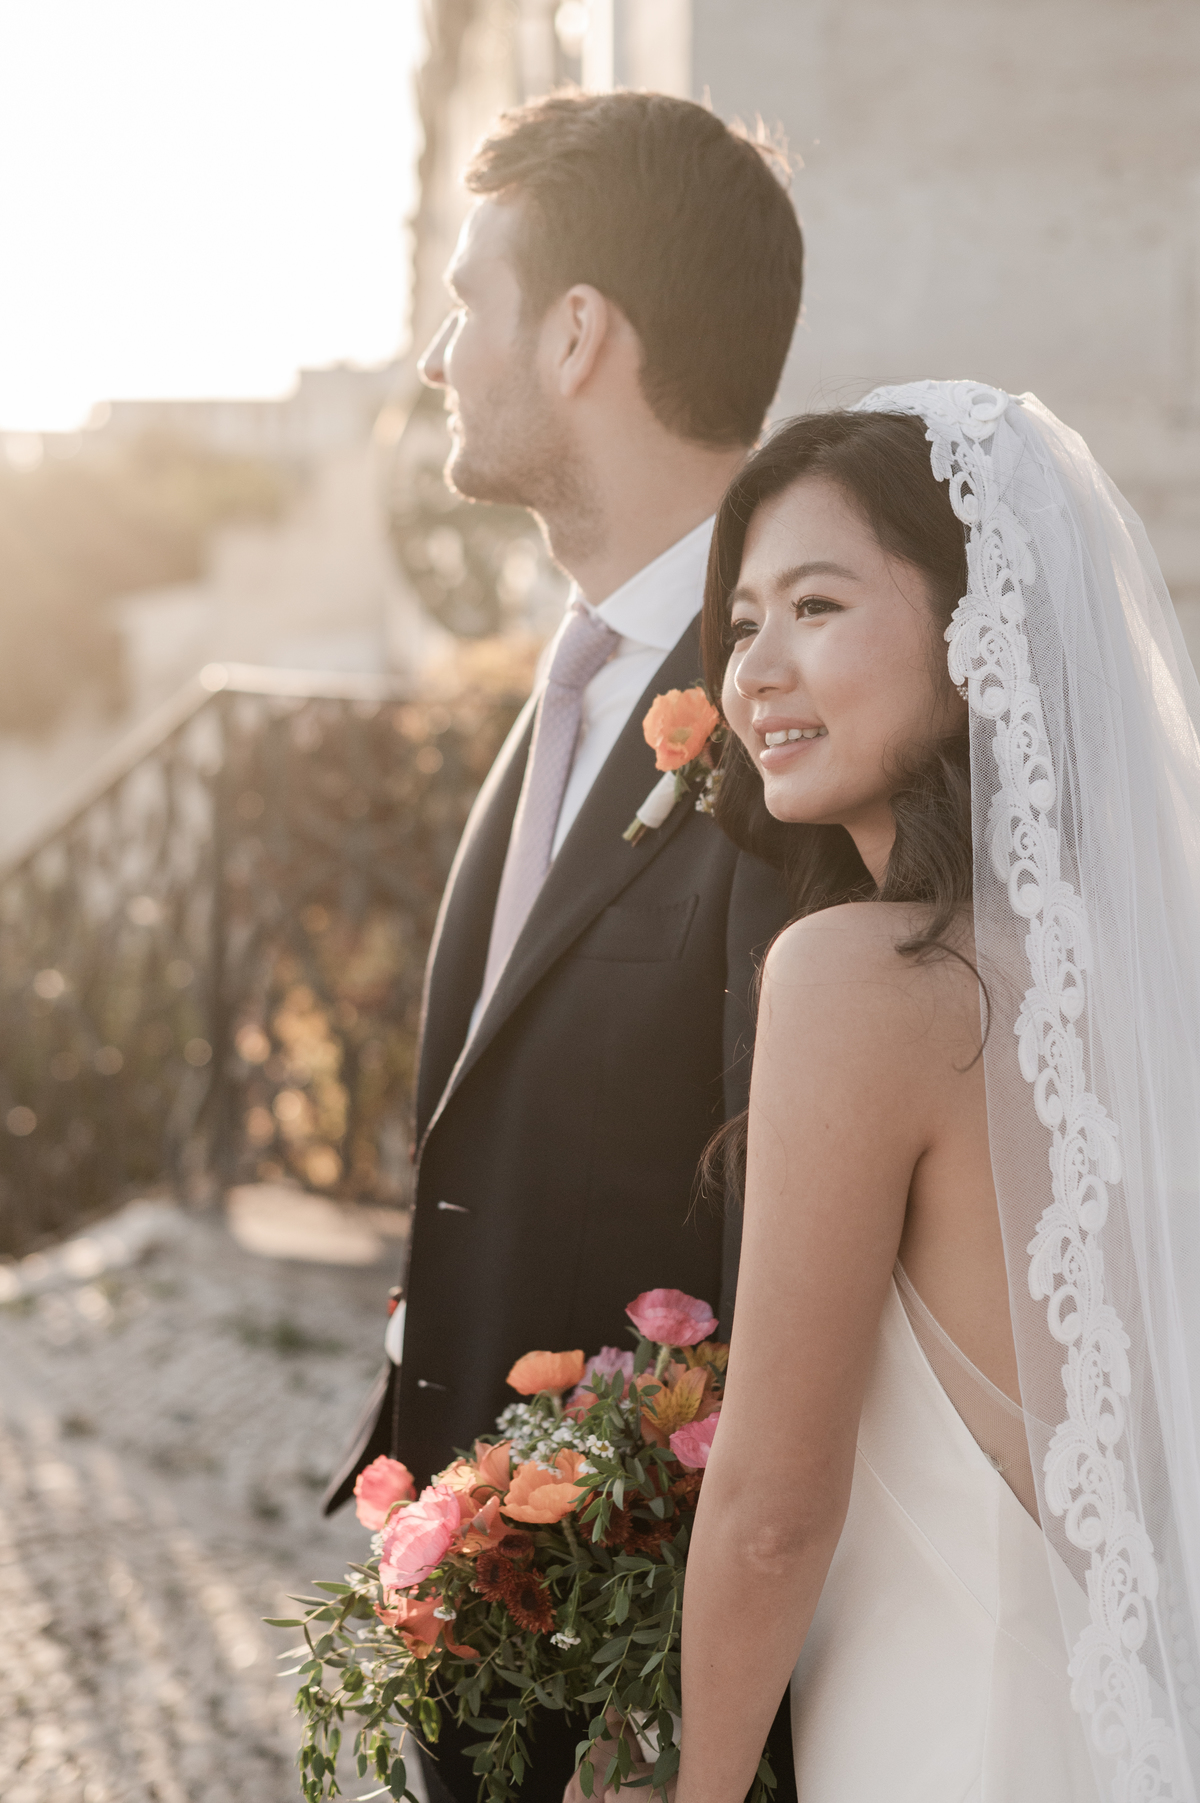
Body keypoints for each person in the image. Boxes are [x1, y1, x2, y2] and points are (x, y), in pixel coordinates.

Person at [324, 90, 804, 1803]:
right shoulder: (592, 670)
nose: (439, 357)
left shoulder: (787, 721)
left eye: (470, 302)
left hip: (632, 1682)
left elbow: (790, 1246)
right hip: (492, 1600)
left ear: (580, 334)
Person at [662, 383, 1200, 1802]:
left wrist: (694, 1788)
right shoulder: (1152, 981)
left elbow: (773, 1514)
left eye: (817, 605)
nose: (755, 669)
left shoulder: (860, 981)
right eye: (742, 623)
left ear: (980, 639)